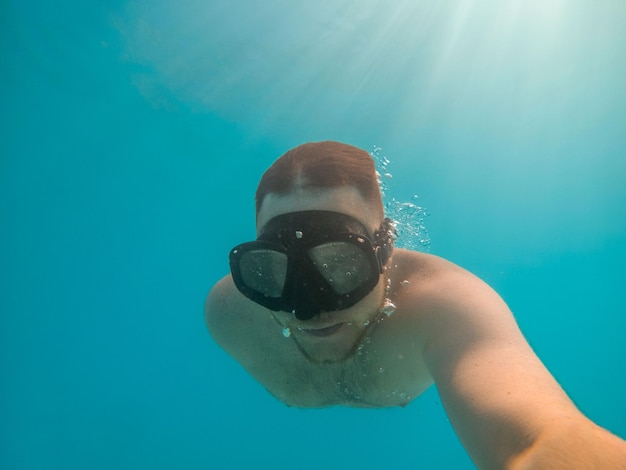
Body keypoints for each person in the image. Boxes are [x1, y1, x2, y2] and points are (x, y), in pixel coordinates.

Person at [205, 141, 626, 469]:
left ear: (385, 251)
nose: (306, 309)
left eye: (341, 266)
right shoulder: (229, 313)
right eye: (272, 272)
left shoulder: (445, 306)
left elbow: (537, 437)